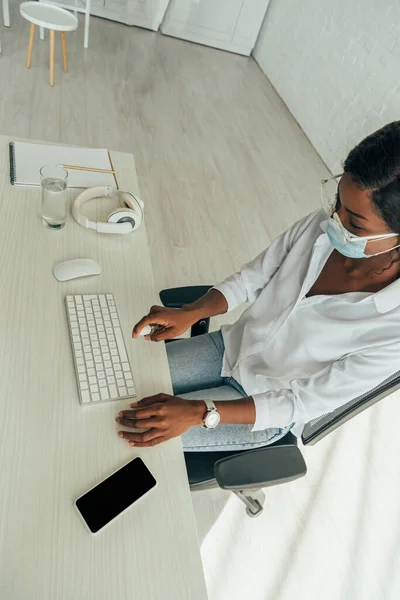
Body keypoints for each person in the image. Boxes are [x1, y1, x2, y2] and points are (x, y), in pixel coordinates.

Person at [116, 121, 400, 451]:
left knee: (128, 429)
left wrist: (200, 413)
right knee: (118, 382)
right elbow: (252, 278)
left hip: (260, 405)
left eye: (354, 221)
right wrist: (190, 311)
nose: (335, 219)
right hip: (228, 348)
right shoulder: (322, 224)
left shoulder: (393, 328)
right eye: (337, 202)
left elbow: (302, 402)